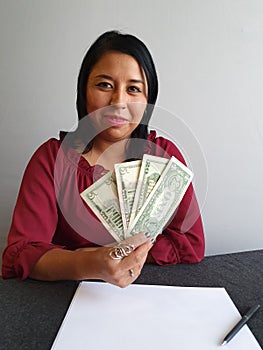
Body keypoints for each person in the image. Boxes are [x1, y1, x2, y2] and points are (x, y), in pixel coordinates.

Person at [1, 30, 205, 288]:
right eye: (104, 85)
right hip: (67, 299)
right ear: (83, 91)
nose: (118, 101)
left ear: (148, 101)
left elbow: (190, 244)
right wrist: (88, 263)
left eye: (133, 89)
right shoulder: (51, 160)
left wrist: (124, 256)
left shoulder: (162, 158)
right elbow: (19, 254)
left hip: (149, 296)